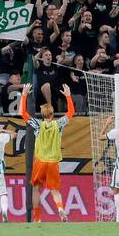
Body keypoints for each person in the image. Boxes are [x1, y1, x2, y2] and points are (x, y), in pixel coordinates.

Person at [19, 83, 75, 222]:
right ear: (53, 114)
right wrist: (68, 96)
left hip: (40, 161)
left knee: (36, 189)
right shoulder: (59, 124)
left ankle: (38, 219)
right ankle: (60, 208)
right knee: (55, 190)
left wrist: (24, 95)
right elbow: (70, 113)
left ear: (42, 114)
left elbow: (22, 113)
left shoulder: (38, 124)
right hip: (53, 162)